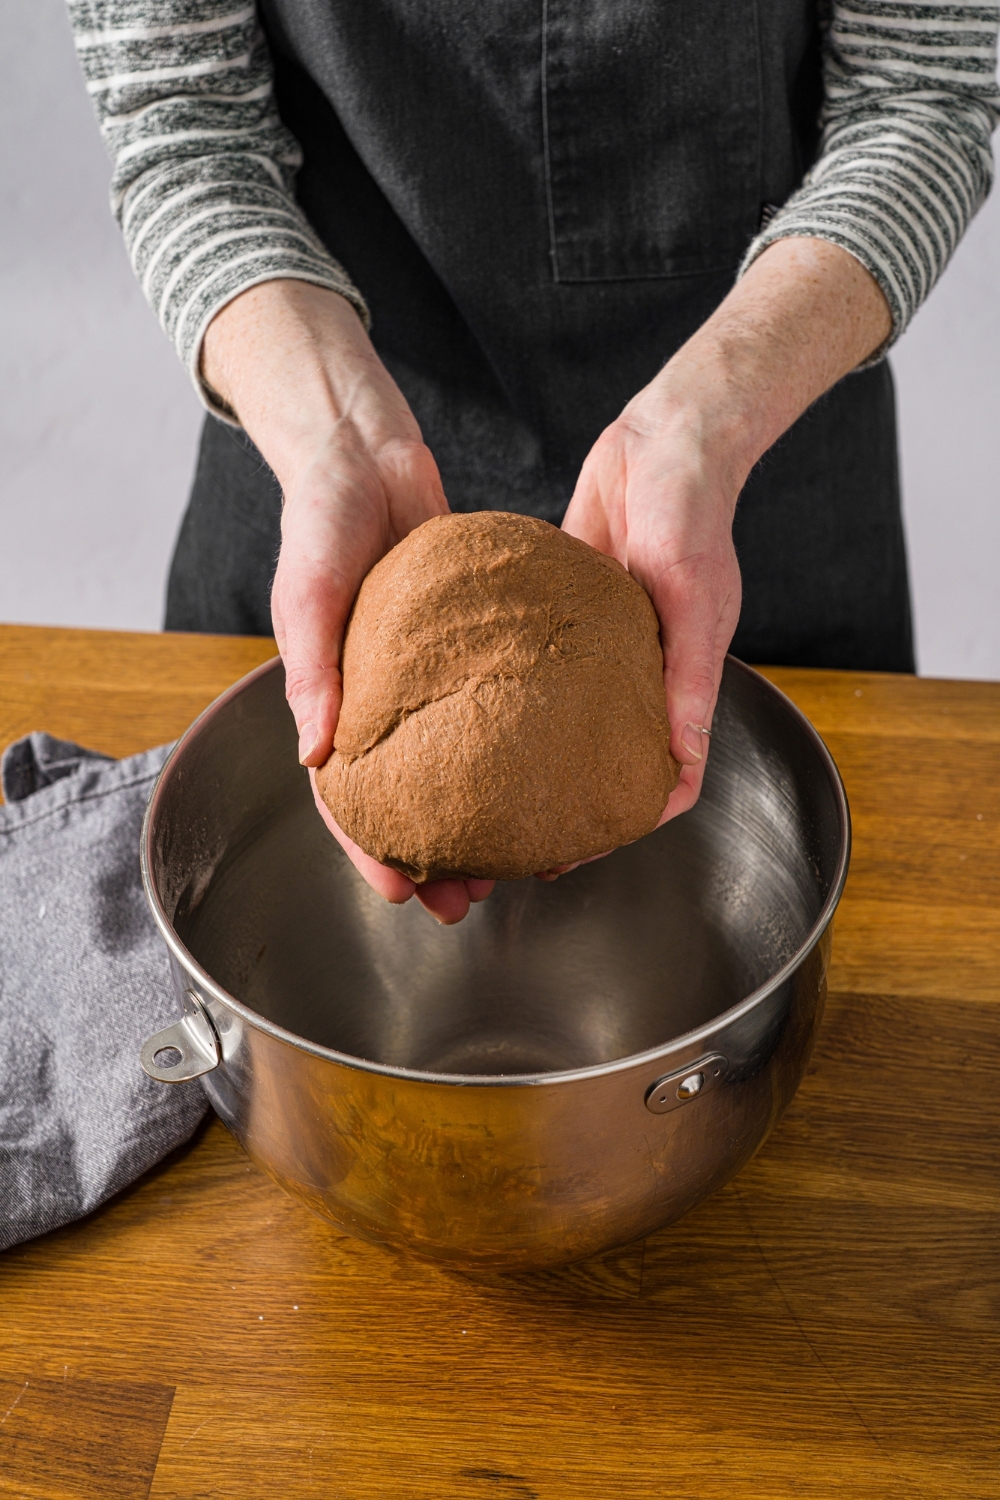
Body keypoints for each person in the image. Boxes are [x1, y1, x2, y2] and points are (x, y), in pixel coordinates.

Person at [70, 0, 999, 921]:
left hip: (754, 449)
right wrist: (334, 439)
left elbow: (922, 94)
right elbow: (182, 127)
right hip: (318, 465)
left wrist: (708, 424)